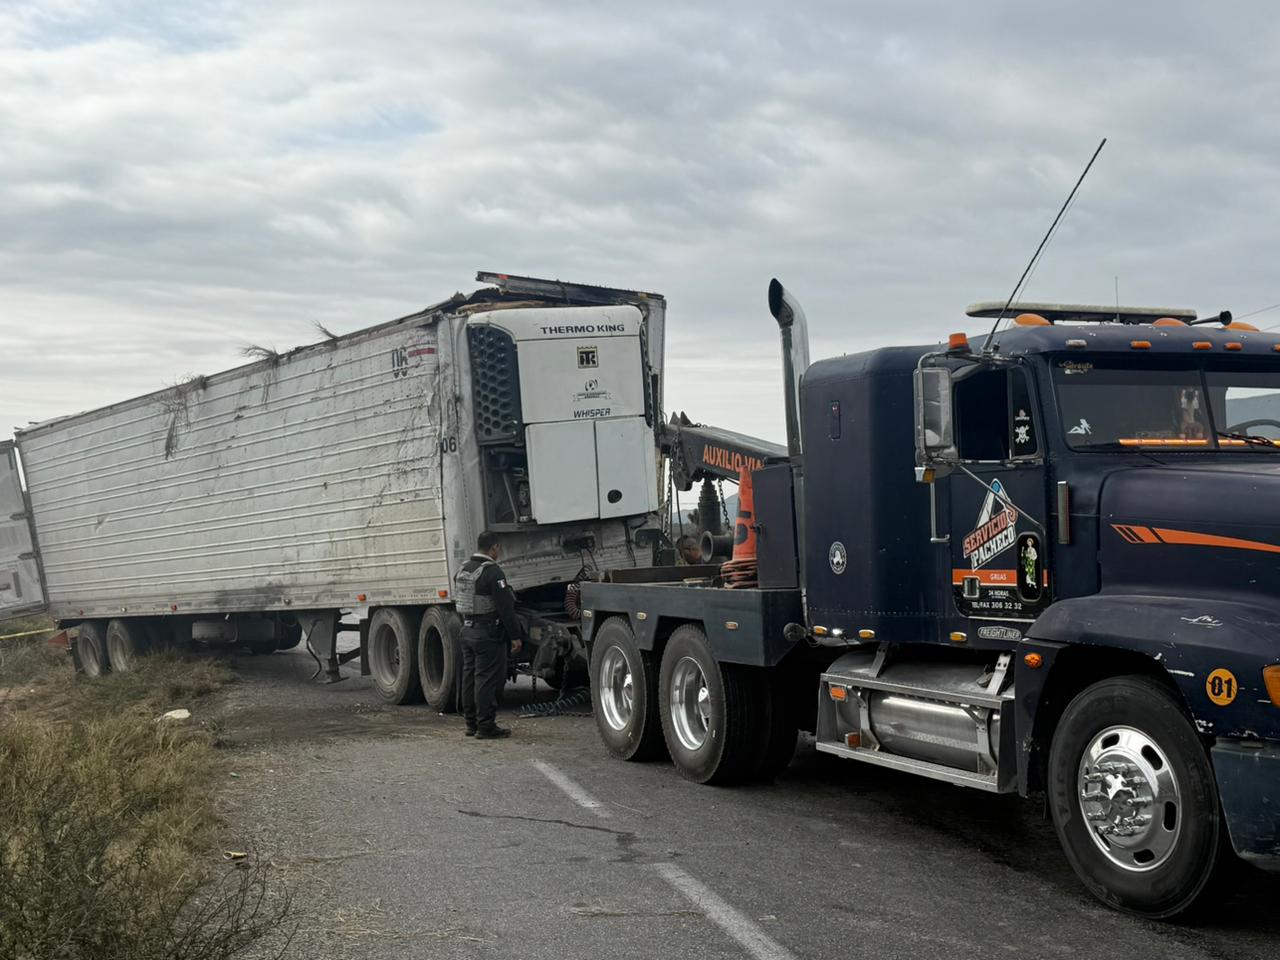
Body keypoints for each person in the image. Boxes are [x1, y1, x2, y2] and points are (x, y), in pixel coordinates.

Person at [455, 531, 525, 739]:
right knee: (485, 680)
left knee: (469, 678)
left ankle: (471, 724)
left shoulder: (463, 569)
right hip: (487, 634)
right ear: (494, 547)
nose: (499, 552)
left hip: (467, 630)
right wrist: (515, 636)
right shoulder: (493, 572)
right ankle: (486, 726)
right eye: (498, 548)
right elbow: (505, 608)